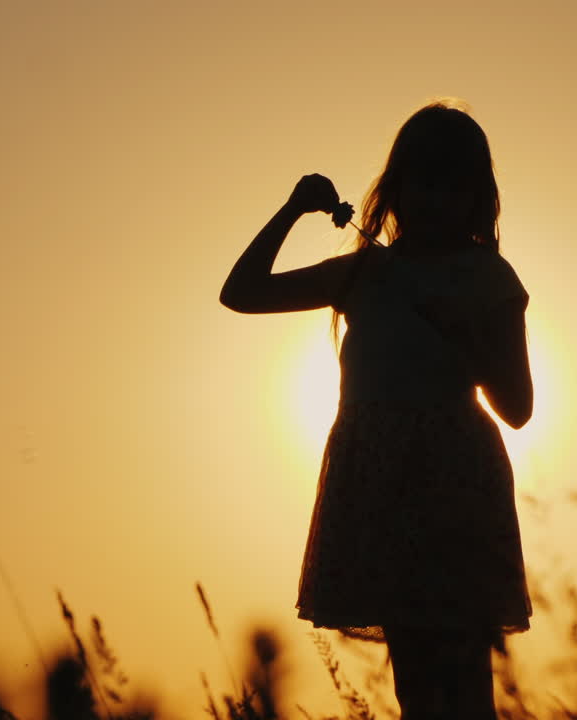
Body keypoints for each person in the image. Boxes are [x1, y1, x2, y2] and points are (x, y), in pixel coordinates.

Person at [219, 101, 533, 720]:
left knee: (464, 678)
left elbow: (518, 408)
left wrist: (466, 340)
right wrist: (292, 209)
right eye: (422, 181)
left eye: (451, 183)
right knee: (416, 681)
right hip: (379, 489)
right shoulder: (364, 274)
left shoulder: (489, 278)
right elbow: (242, 293)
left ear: (476, 195)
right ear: (396, 189)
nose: (434, 198)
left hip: (455, 490)